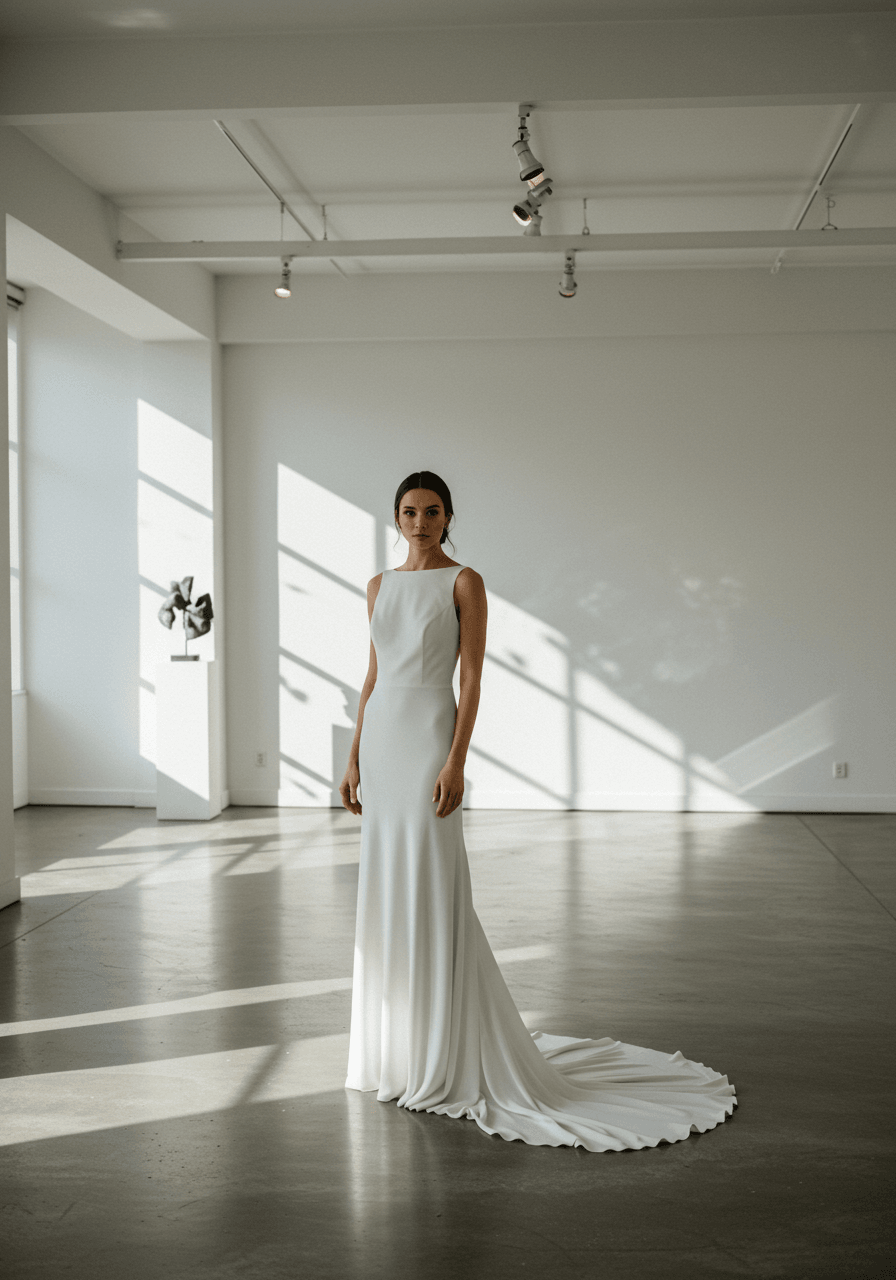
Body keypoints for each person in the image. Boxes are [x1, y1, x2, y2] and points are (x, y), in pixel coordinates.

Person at [339, 470, 736, 1150]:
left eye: (432, 512)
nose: (420, 522)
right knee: (384, 888)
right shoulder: (379, 585)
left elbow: (471, 678)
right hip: (381, 742)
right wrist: (352, 757)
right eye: (410, 511)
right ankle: (393, 1047)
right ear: (396, 516)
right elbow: (373, 675)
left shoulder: (463, 582)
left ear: (448, 516)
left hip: (429, 737)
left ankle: (443, 1049)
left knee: (432, 887)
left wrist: (456, 760)